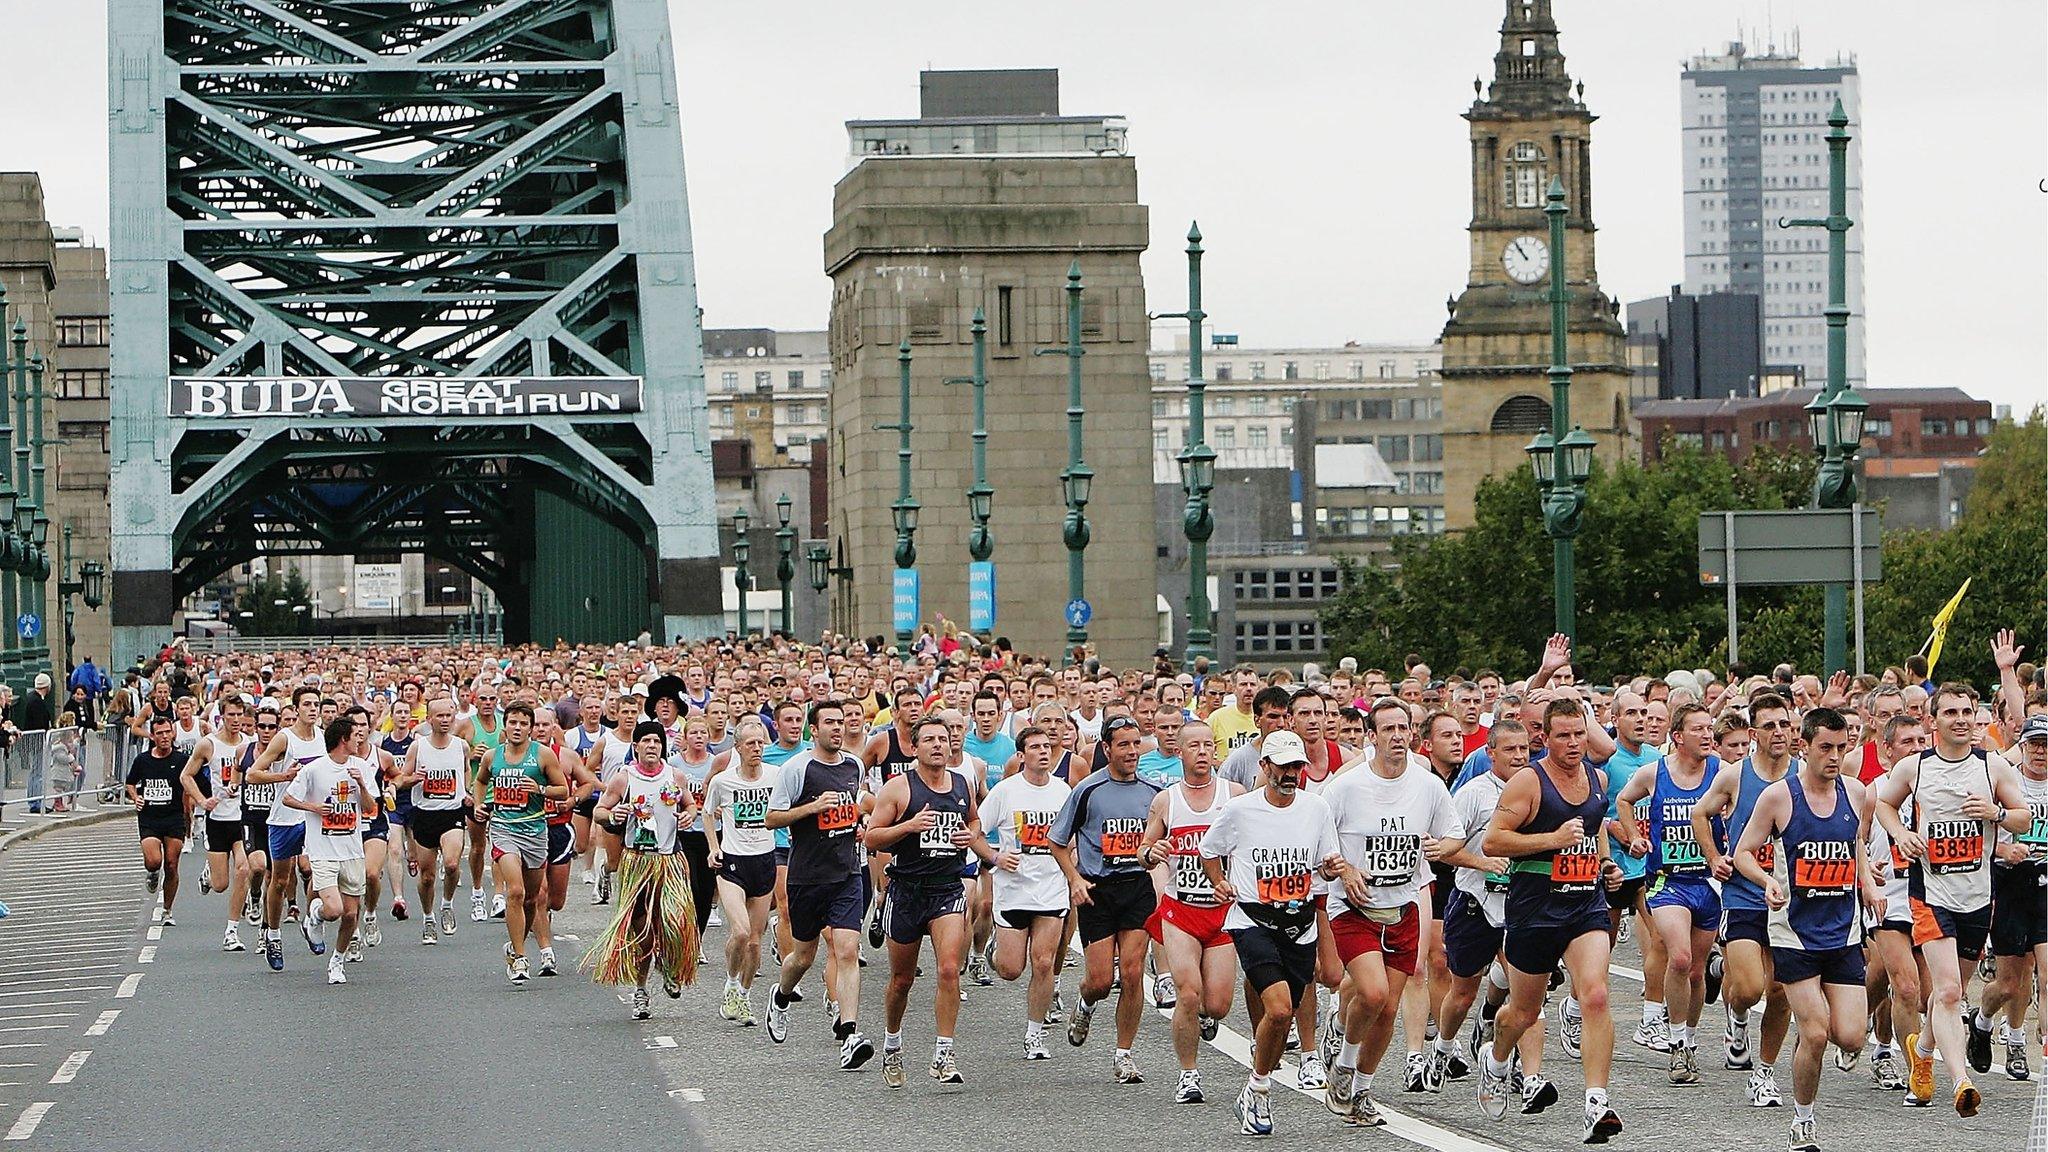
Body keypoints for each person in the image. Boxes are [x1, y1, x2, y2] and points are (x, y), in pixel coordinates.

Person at [1875, 681, 2032, 1117]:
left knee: (1953, 991)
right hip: (1931, 893)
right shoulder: (1914, 768)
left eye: (1967, 712)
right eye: (1951, 713)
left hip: (1978, 896)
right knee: (1946, 992)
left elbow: (2024, 816)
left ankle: (1921, 1052)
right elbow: (1885, 806)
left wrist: (1996, 813)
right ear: (1933, 721)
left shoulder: (1993, 766)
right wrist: (1902, 834)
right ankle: (1962, 1081)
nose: (1961, 720)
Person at [1322, 699, 1478, 1124]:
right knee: (1371, 992)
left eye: (1402, 728)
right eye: (1387, 729)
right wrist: (1345, 867)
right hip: (1355, 905)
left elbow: (1453, 836)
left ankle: (1361, 1091)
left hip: (1404, 904)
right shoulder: (1346, 787)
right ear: (1370, 737)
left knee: (1388, 1009)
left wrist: (1441, 848)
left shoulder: (1426, 785)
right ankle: (1344, 1064)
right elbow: (1318, 837)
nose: (1396, 736)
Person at [1477, 698, 1625, 1144]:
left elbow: (1594, 824)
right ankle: (1497, 1060)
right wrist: (1553, 839)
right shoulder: (1528, 781)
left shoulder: (1597, 779)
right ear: (1544, 736)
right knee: (1522, 1011)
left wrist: (1604, 863)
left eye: (1579, 734)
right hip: (1535, 908)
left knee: (1595, 994)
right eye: (1563, 735)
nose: (1574, 743)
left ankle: (1596, 1102)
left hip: (1585, 904)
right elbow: (1492, 841)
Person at [1732, 707, 1879, 1152]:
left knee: (1851, 1035)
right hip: (1794, 931)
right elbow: (1742, 852)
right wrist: (1768, 881)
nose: (1835, 757)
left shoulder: (1857, 794)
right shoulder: (1779, 797)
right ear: (1805, 746)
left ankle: (1809, 1042)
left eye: (1841, 747)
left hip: (1844, 930)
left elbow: (1856, 848)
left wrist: (1869, 884)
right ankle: (1802, 1122)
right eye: (1825, 748)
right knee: (1815, 1031)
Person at [1196, 729, 1343, 1137]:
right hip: (1253, 919)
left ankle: (1259, 1076)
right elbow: (1210, 850)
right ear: (1265, 767)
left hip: (1299, 924)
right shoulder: (1240, 810)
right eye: (1283, 767)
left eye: (1297, 766)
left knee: (1284, 1016)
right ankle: (1258, 1090)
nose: (1291, 774)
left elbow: (1326, 860)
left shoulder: (1316, 809)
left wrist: (1330, 869)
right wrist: (1218, 882)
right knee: (1279, 1009)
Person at [866, 715, 996, 1087]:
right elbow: (872, 838)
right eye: (930, 740)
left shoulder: (960, 783)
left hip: (947, 888)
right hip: (906, 890)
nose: (939, 745)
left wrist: (967, 837)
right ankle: (893, 1043)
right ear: (915, 746)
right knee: (902, 979)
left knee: (948, 969)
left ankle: (943, 1053)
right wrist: (908, 827)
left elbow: (974, 821)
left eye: (944, 738)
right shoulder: (898, 789)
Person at [1694, 691, 1797, 1104]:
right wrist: (1715, 856)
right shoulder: (1734, 775)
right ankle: (1736, 1014)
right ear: (1754, 733)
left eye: (1784, 724)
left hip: (1790, 898)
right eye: (1769, 725)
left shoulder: (1806, 773)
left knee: (1781, 990)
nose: (1778, 732)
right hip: (1743, 893)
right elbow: (1700, 813)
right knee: (1752, 988)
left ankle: (1765, 1071)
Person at [1614, 703, 1724, 1085]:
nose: (1708, 735)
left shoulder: (1721, 772)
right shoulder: (1654, 773)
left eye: (1710, 728)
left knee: (1696, 969)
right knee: (1678, 958)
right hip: (1667, 880)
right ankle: (1677, 1043)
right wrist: (1634, 836)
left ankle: (1689, 1041)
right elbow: (1623, 800)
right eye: (1699, 729)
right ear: (1678, 737)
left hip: (1708, 883)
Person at [1050, 714, 1161, 1084]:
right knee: (1099, 980)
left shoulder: (1152, 792)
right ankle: (1085, 1002)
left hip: (1136, 887)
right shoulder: (1088, 790)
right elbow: (1057, 841)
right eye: (1124, 745)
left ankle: (1124, 1054)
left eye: (1136, 744)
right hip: (1097, 889)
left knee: (1132, 973)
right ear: (1106, 748)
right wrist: (1074, 879)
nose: (1132, 752)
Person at [765, 699, 874, 1069]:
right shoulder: (798, 769)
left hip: (847, 874)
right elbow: (772, 818)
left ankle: (850, 1034)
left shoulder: (854, 766)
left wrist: (859, 826)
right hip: (806, 877)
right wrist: (811, 808)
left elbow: (853, 807)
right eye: (829, 722)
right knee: (803, 957)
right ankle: (780, 995)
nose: (837, 728)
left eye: (841, 722)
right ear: (815, 729)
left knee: (846, 950)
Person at [1139, 718, 1242, 1103]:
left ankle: (1204, 1019)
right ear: (1179, 753)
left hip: (1223, 911)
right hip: (1181, 909)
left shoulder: (1233, 794)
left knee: (1217, 1004)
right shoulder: (1167, 800)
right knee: (1188, 992)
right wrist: (1153, 852)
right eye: (1193, 746)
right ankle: (1188, 1074)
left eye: (1207, 746)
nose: (1202, 752)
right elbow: (1144, 851)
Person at [585, 720, 701, 1018]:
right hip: (636, 860)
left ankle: (669, 963)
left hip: (669, 861)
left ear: (663, 746)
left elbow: (690, 806)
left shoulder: (674, 775)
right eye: (646, 741)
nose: (652, 746)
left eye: (657, 741)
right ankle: (641, 989)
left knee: (675, 919)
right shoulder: (624, 778)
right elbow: (599, 811)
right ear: (635, 746)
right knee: (643, 929)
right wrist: (613, 815)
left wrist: (688, 816)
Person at [980, 724, 1073, 1060]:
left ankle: (1035, 1034)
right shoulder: (1006, 791)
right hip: (1013, 890)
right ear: (1021, 756)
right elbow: (976, 831)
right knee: (1010, 970)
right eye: (1035, 747)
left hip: (1050, 889)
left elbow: (1071, 839)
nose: (1043, 752)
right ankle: (995, 947)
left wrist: (1074, 875)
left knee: (1044, 962)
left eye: (1047, 746)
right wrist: (994, 856)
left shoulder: (1063, 792)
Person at [275, 715, 378, 986]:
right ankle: (316, 916)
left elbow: (369, 808)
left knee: (351, 914)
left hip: (352, 850)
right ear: (343, 739)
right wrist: (314, 808)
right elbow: (287, 797)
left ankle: (337, 960)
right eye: (355, 735)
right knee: (334, 909)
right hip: (322, 850)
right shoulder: (314, 769)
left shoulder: (361, 767)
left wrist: (362, 785)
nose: (359, 739)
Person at [1972, 711, 2047, 1083]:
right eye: (2034, 744)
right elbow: (1981, 833)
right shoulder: (2006, 780)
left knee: (2044, 974)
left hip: (2045, 886)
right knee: (2009, 983)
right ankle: (1983, 1019)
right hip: (2009, 884)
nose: (2040, 752)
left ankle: (2021, 1044)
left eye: (2047, 746)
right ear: (2023, 746)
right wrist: (2004, 851)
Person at [471, 702, 570, 983]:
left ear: (530, 728)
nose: (517, 728)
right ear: (506, 726)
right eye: (512, 722)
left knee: (530, 897)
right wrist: (480, 805)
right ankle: (520, 956)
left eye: (523, 724)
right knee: (514, 891)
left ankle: (515, 943)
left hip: (535, 831)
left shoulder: (543, 755)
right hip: (504, 829)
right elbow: (480, 781)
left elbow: (562, 790)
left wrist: (539, 789)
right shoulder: (493, 756)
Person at [704, 717, 777, 1026]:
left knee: (756, 941)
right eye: (750, 743)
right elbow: (708, 813)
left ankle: (744, 997)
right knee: (742, 932)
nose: (756, 748)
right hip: (732, 861)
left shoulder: (776, 776)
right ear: (738, 748)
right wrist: (713, 846)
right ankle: (731, 983)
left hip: (765, 860)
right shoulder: (723, 781)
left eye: (760, 742)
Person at [395, 696, 469, 943]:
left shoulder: (461, 746)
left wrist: (466, 791)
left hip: (452, 812)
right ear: (429, 719)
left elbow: (467, 769)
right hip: (425, 813)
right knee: (426, 877)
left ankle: (447, 904)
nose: (445, 720)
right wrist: (413, 779)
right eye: (439, 716)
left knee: (450, 864)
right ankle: (428, 917)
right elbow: (401, 778)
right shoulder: (418, 747)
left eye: (449, 715)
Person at [181, 696, 251, 951]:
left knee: (244, 870)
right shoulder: (208, 745)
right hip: (218, 819)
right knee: (221, 885)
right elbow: (186, 775)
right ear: (222, 716)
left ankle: (231, 932)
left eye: (239, 715)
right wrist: (201, 800)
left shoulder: (249, 745)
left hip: (243, 817)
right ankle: (210, 873)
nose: (235, 720)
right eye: (230, 715)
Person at [126, 715, 188, 923]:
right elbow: (130, 784)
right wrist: (136, 797)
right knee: (154, 861)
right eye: (159, 733)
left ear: (173, 733)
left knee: (171, 864)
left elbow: (190, 785)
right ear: (152, 736)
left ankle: (167, 910)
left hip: (173, 817)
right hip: (150, 818)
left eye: (167, 732)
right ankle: (152, 873)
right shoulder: (143, 760)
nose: (164, 737)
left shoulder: (181, 760)